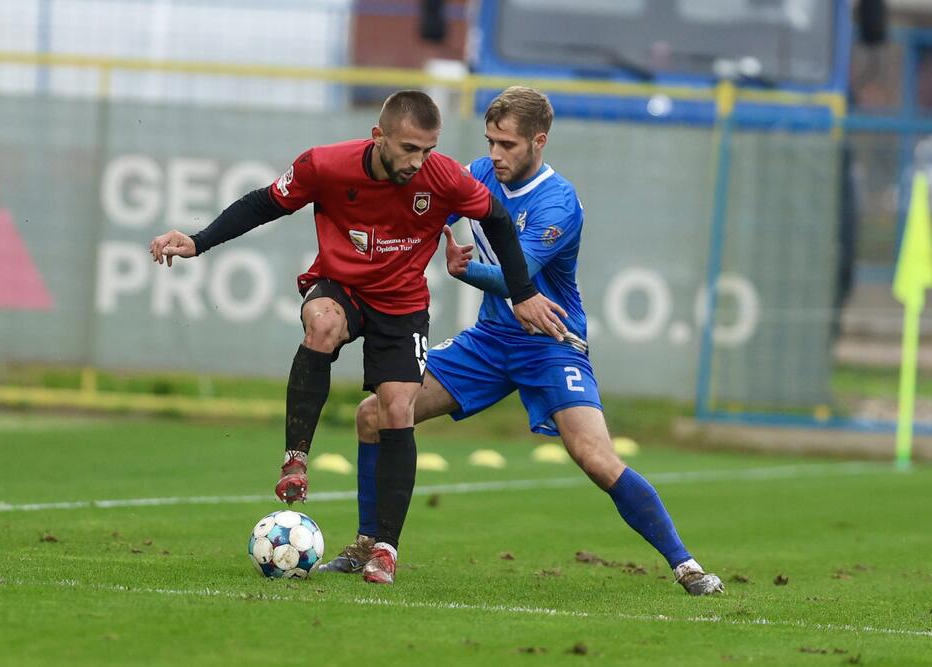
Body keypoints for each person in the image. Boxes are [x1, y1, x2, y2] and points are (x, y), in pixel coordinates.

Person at [323, 87, 723, 595]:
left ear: (539, 142)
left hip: (551, 342)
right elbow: (420, 215)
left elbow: (522, 278)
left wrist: (464, 273)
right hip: (490, 341)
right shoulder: (477, 174)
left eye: (507, 144)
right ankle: (366, 544)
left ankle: (685, 565)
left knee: (594, 456)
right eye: (490, 141)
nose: (495, 154)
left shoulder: (559, 203)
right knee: (372, 415)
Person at [148, 90, 568, 534]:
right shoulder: (325, 165)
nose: (418, 162)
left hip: (402, 303)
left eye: (428, 150)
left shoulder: (442, 177)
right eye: (409, 149)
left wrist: (521, 294)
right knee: (323, 324)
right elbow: (265, 202)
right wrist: (199, 241)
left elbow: (499, 220)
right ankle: (296, 459)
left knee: (396, 409)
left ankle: (383, 547)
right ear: (378, 137)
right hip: (341, 285)